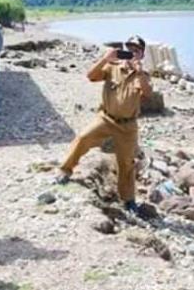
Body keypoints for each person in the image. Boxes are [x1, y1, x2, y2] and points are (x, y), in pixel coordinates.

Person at [54, 36, 152, 216]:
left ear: (142, 54)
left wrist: (139, 72)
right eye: (129, 48)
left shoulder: (142, 75)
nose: (132, 53)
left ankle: (128, 200)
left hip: (127, 126)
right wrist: (104, 59)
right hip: (106, 119)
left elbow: (147, 93)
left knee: (126, 163)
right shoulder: (112, 67)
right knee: (83, 138)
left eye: (136, 50)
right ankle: (65, 170)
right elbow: (91, 76)